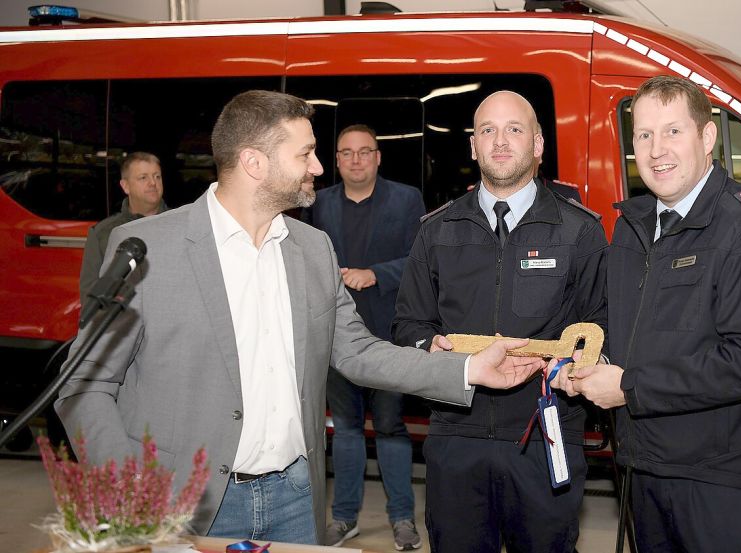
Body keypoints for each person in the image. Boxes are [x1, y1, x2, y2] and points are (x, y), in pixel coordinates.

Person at [55, 90, 545, 546]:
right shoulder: (150, 250)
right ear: (254, 163)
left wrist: (467, 369)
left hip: (295, 498)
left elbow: (357, 350)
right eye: (304, 153)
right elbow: (83, 386)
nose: (317, 165)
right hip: (185, 503)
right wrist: (130, 486)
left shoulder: (312, 249)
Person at [557, 75, 741, 553]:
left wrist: (628, 387)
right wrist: (593, 365)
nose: (656, 150)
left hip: (723, 479)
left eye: (673, 131)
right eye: (644, 136)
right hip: (647, 466)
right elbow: (627, 331)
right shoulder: (631, 229)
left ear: (707, 138)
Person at [392, 90, 607, 553]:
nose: (500, 141)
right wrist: (428, 348)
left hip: (544, 436)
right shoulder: (437, 231)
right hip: (455, 439)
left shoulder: (580, 231)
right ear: (473, 146)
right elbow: (408, 324)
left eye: (514, 129)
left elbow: (600, 326)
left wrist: (581, 370)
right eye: (487, 130)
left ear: (538, 143)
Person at [300, 124, 426, 550]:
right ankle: (343, 518)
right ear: (336, 160)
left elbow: (420, 261)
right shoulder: (317, 203)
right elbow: (300, 256)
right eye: (346, 153)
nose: (355, 160)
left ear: (378, 157)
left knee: (390, 427)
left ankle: (403, 519)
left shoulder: (407, 199)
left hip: (387, 335)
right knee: (348, 430)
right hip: (334, 336)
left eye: (364, 152)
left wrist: (376, 274)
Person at [79, 151, 166, 309]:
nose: (153, 183)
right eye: (143, 177)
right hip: (124, 326)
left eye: (157, 176)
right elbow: (90, 294)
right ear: (125, 186)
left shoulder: (181, 224)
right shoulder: (103, 233)